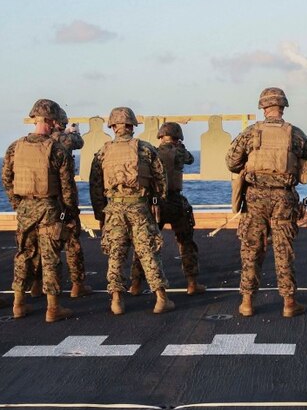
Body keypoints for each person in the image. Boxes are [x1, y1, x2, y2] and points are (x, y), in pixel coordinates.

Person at [226, 86, 307, 318]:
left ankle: (247, 302)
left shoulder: (250, 133)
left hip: (255, 196)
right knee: (283, 249)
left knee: (251, 249)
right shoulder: (295, 134)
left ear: (263, 108)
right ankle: (289, 303)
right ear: (283, 107)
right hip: (284, 197)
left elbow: (231, 162)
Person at [89, 106, 174, 316]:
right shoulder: (145, 149)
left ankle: (116, 300)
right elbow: (161, 181)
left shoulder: (102, 152)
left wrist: (101, 213)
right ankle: (161, 298)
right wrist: (157, 202)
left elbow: (95, 186)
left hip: (114, 208)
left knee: (116, 254)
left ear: (112, 126)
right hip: (139, 206)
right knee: (148, 252)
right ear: (132, 126)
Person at [3, 99, 80, 322]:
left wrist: (18, 205)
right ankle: (53, 308)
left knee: (23, 254)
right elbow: (67, 188)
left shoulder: (14, 147)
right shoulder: (57, 149)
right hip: (50, 208)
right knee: (50, 257)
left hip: (26, 208)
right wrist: (69, 214)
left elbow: (7, 180)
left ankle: (18, 304)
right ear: (53, 120)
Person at [129, 121, 206, 295]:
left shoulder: (151, 152)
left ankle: (135, 284)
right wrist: (180, 146)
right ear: (177, 137)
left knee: (145, 244)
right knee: (186, 242)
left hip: (155, 203)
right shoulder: (180, 152)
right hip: (175, 201)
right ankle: (192, 283)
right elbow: (190, 159)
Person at [28, 110, 91, 298]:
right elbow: (78, 142)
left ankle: (37, 284)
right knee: (72, 242)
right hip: (60, 199)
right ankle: (77, 285)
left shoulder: (28, 143)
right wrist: (74, 132)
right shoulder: (62, 139)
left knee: (38, 245)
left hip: (35, 200)